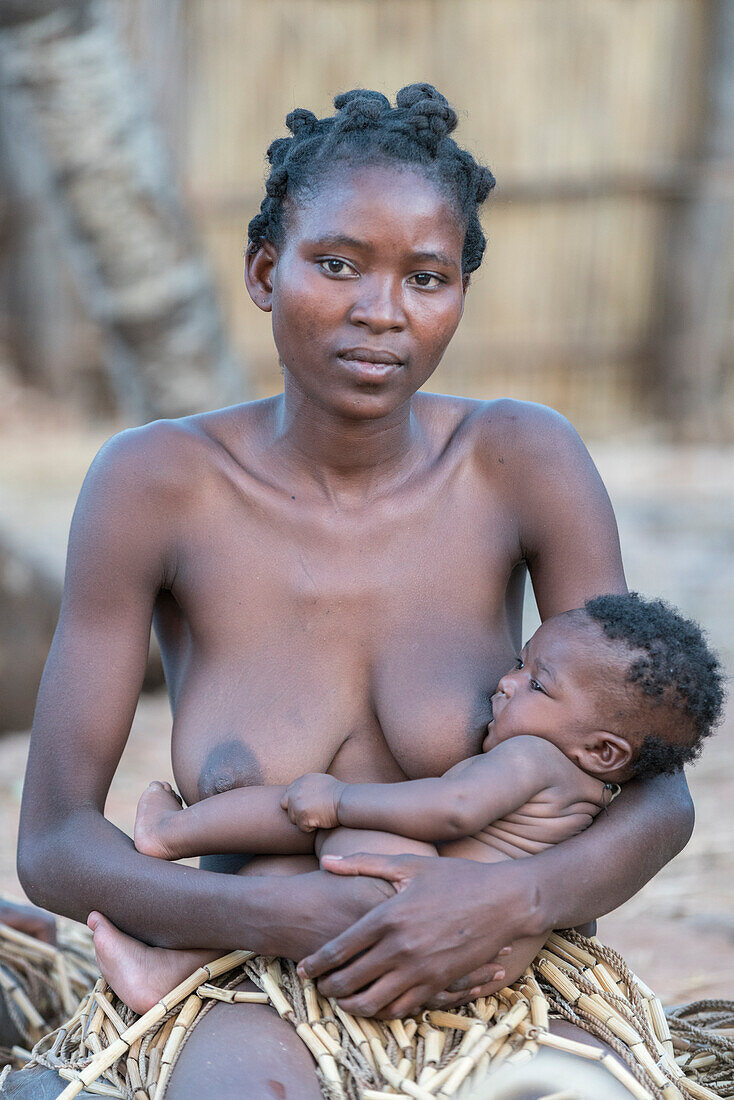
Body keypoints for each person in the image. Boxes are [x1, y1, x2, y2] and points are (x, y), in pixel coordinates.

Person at [8, 84, 697, 1099]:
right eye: (336, 265)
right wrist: (275, 919)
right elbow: (57, 839)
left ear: (460, 292)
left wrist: (504, 899)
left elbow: (655, 787)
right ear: (263, 271)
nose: (380, 312)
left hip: (496, 977)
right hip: (251, 983)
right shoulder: (156, 484)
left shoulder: (520, 461)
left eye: (426, 276)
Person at [89, 591, 722, 1013]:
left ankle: (170, 836)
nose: (505, 683)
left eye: (535, 682)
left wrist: (342, 799)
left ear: (607, 751)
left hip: (420, 920)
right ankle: (169, 969)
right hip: (475, 955)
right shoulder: (589, 790)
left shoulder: (531, 757)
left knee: (299, 816)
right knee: (280, 874)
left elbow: (454, 809)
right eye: (518, 663)